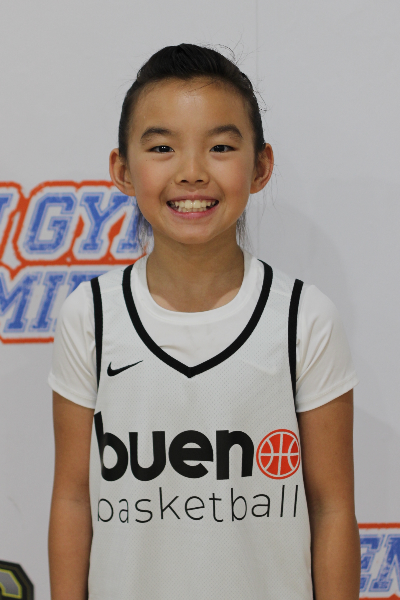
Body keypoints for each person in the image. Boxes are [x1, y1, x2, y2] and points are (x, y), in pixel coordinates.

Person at [48, 43, 360, 600]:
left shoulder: (302, 317)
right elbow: (73, 498)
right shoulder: (90, 316)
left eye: (220, 147)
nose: (191, 173)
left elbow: (331, 508)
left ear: (260, 166)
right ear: (122, 169)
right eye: (162, 148)